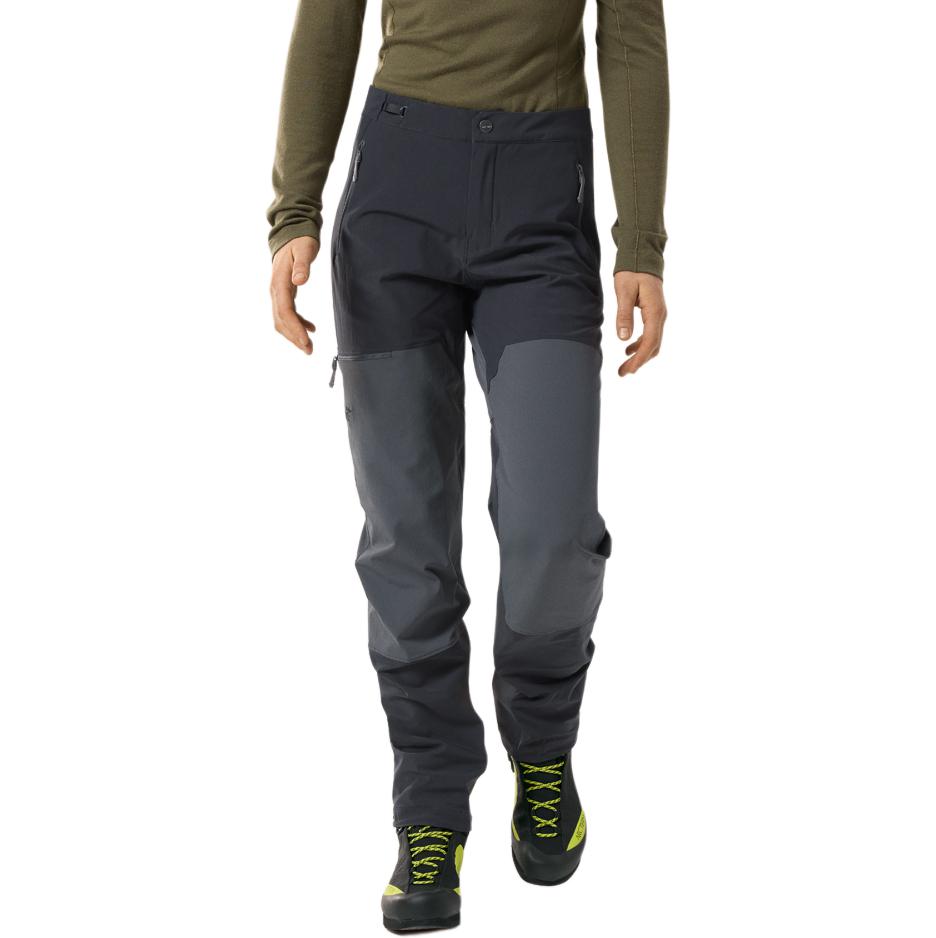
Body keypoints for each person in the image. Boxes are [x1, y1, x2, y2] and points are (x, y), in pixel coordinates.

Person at [267, 0, 669, 931]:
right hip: (395, 200)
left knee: (554, 533)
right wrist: (295, 210)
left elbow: (632, 34)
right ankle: (431, 810)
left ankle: (543, 748)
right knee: (406, 540)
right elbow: (327, 21)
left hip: (542, 202)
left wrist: (640, 238)